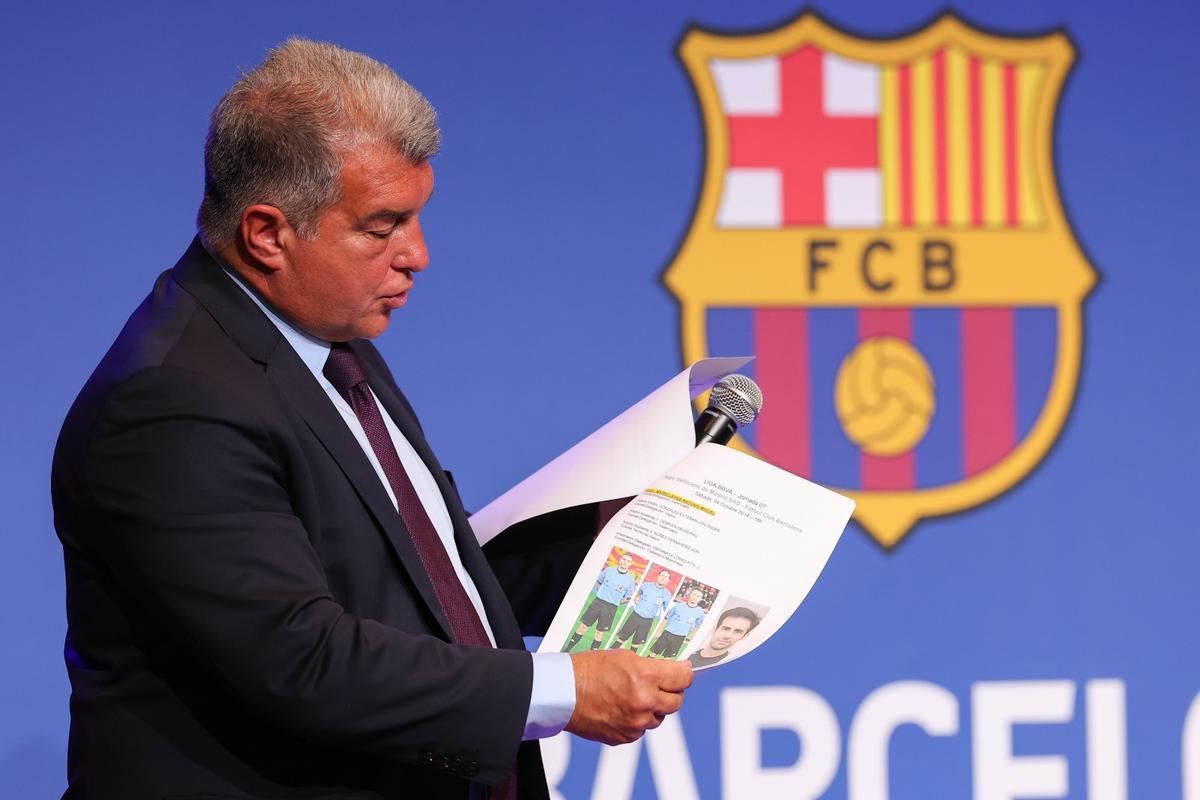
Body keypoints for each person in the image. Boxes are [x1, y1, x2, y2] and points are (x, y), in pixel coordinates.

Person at [51, 38, 691, 800]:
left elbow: (419, 584)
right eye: (382, 226)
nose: (417, 254)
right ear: (267, 234)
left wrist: (617, 537)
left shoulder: (328, 341)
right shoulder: (170, 403)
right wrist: (561, 690)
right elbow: (301, 659)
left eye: (416, 218)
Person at [563, 553, 637, 651]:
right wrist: (600, 593)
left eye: (628, 561)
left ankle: (592, 655)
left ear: (630, 564)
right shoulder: (609, 570)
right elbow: (599, 582)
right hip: (597, 602)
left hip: (611, 608)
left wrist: (616, 602)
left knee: (599, 633)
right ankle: (567, 650)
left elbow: (628, 597)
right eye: (624, 559)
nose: (625, 562)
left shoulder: (630, 580)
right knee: (583, 627)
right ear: (620, 559)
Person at [609, 569, 673, 652]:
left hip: (647, 621)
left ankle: (630, 660)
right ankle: (607, 654)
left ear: (668, 580)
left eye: (666, 577)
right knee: (621, 639)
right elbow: (637, 594)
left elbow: (667, 612)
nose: (663, 578)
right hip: (635, 616)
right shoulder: (646, 586)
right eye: (662, 575)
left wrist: (660, 629)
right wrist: (636, 599)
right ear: (658, 576)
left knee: (635, 644)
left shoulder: (667, 594)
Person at [687, 607, 761, 668]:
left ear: (744, 636)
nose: (728, 636)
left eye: (737, 631)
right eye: (726, 629)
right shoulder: (688, 653)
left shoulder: (728, 668)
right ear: (714, 629)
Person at [648, 588, 708, 659]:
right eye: (694, 594)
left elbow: (697, 627)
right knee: (653, 654)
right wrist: (659, 631)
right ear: (690, 595)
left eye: (698, 596)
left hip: (680, 637)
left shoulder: (700, 613)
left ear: (700, 599)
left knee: (667, 658)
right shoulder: (678, 606)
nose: (695, 597)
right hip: (667, 633)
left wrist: (689, 637)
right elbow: (666, 618)